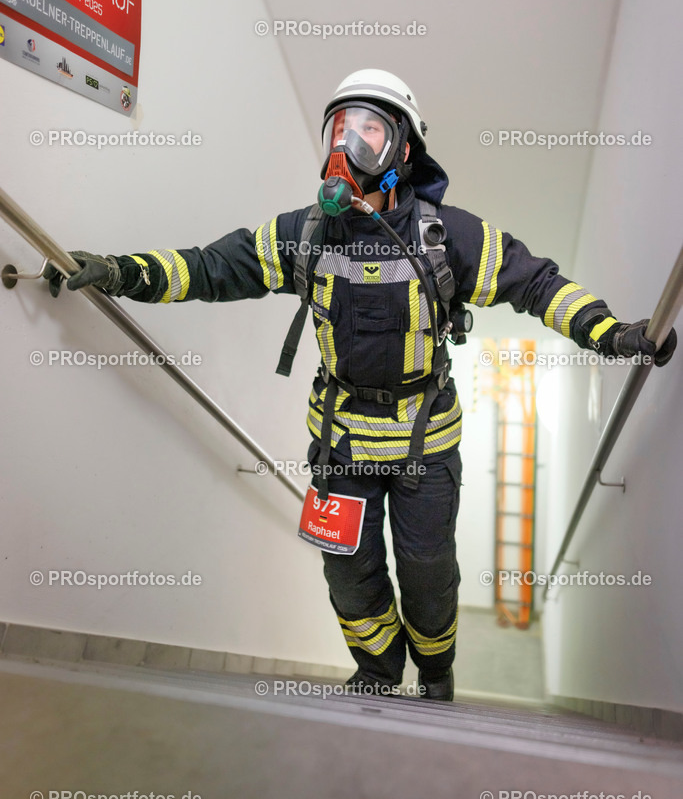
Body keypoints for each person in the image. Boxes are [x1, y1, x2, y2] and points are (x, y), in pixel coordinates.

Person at [44, 69, 677, 702]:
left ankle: (435, 676)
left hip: (425, 445)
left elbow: (535, 283)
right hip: (340, 441)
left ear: (402, 147)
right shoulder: (303, 234)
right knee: (348, 576)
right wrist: (120, 272)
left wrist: (610, 333)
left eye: (369, 129)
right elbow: (211, 267)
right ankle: (377, 674)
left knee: (428, 576)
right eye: (340, 128)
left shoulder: (447, 236)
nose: (348, 144)